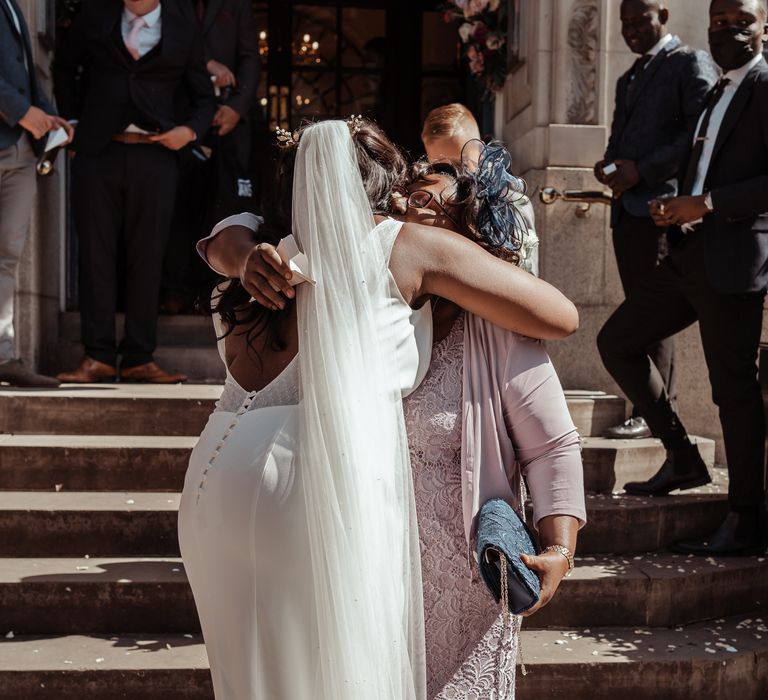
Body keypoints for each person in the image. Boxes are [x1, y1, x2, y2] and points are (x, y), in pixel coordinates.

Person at [178, 118, 580, 699]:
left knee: (248, 680)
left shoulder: (257, 265)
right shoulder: (405, 245)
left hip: (215, 476)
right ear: (382, 189)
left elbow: (221, 239)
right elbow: (561, 315)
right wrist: (471, 262)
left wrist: (238, 249)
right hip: (306, 477)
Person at [597, 0, 768, 555]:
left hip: (735, 264)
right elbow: (699, 164)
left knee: (733, 392)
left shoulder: (763, 84)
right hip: (686, 260)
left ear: (764, 25)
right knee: (618, 340)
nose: (726, 30)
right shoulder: (717, 89)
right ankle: (683, 455)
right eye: (718, 21)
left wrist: (707, 204)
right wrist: (675, 211)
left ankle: (745, 515)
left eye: (740, 20)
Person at [52, 0, 216, 383]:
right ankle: (98, 356)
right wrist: (73, 120)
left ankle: (141, 356)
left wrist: (189, 132)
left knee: (148, 254)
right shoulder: (95, 16)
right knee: (95, 252)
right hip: (98, 152)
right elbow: (64, 67)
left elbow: (204, 98)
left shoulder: (182, 28)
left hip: (155, 157)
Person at [595, 0, 716, 439]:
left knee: (654, 318)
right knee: (636, 316)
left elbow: (699, 136)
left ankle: (653, 416)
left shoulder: (688, 62)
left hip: (663, 213)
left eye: (639, 20)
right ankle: (647, 411)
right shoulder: (629, 77)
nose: (630, 30)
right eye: (624, 23)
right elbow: (617, 139)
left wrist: (641, 171)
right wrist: (607, 166)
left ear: (662, 15)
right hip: (626, 215)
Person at [161, 0, 259, 314]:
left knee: (227, 206)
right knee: (177, 207)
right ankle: (174, 291)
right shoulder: (166, 6)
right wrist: (206, 63)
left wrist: (236, 108)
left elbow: (250, 59)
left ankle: (220, 293)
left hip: (228, 124)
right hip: (180, 118)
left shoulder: (238, 6)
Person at [0, 0, 72, 387]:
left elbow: (27, 73)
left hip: (21, 151)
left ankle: (3, 354)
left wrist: (47, 115)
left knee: (8, 254)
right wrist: (22, 111)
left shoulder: (13, 6)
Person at [422, 103, 539, 275]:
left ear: (481, 152)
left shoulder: (512, 203)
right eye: (442, 168)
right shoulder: (426, 206)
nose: (455, 175)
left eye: (461, 163)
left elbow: (529, 273)